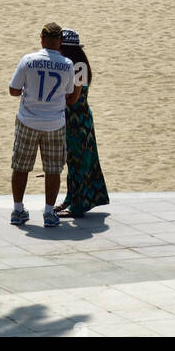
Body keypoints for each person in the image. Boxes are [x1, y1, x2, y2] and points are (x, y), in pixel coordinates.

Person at [8, 22, 77, 228]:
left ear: (41, 39)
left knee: (20, 166)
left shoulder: (28, 60)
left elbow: (13, 90)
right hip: (54, 123)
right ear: (60, 42)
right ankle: (49, 212)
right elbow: (68, 92)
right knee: (53, 169)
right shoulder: (67, 64)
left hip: (27, 120)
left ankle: (18, 210)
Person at [54, 29, 109, 219]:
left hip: (77, 122)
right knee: (74, 161)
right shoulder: (77, 65)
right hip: (78, 119)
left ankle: (77, 206)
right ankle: (71, 199)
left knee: (77, 163)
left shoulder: (77, 67)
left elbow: (73, 99)